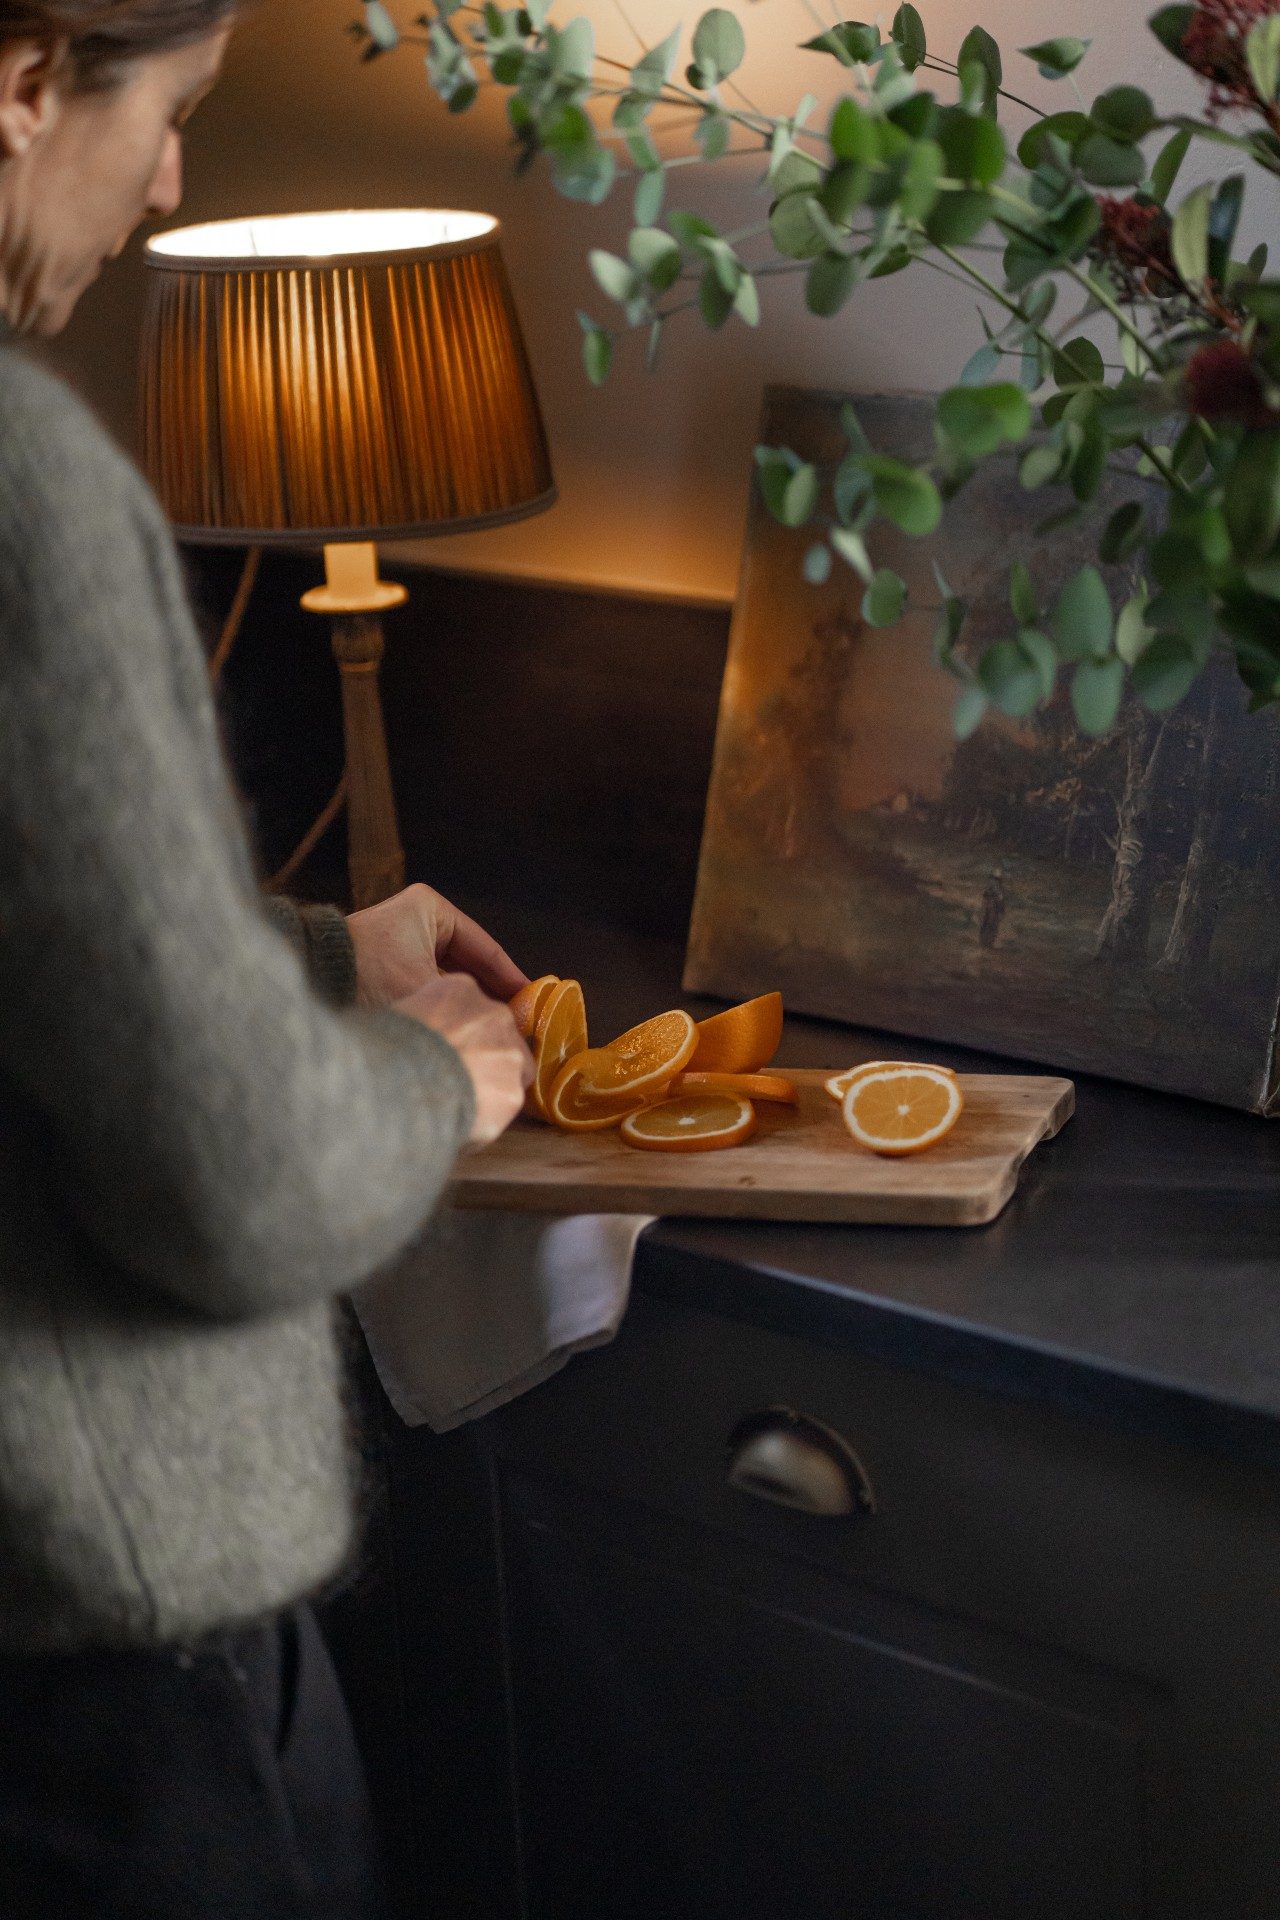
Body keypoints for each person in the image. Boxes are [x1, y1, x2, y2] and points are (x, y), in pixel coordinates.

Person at [0, 4, 536, 1914]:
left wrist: (312, 953)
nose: (166, 187)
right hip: (94, 1670)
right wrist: (429, 1081)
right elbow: (234, 1179)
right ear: (26, 78)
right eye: (175, 115)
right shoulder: (22, 492)